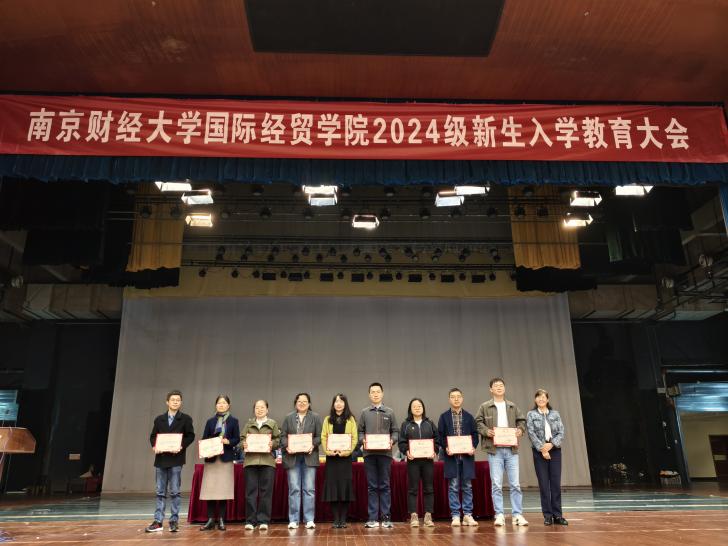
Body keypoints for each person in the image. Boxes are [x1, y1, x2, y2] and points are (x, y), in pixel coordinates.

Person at [475, 377, 528, 527]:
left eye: (501, 385)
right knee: (496, 484)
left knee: (515, 484)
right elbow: (478, 423)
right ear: (490, 389)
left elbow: (522, 421)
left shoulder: (512, 406)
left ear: (504, 388)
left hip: (511, 449)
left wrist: (520, 430)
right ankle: (499, 514)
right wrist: (486, 431)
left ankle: (517, 514)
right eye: (496, 385)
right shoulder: (485, 406)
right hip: (494, 450)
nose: (499, 387)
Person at [145, 390, 195, 533]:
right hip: (161, 459)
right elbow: (153, 436)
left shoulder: (185, 419)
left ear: (181, 403)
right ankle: (158, 521)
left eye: (178, 400)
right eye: (172, 400)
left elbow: (190, 436)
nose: (175, 402)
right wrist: (154, 446)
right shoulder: (159, 419)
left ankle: (174, 521)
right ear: (167, 402)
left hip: (176, 459)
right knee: (160, 492)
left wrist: (180, 446)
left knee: (175, 492)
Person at [358, 382, 398, 528]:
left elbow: (395, 431)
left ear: (382, 394)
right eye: (373, 392)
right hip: (369, 454)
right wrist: (362, 440)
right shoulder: (364, 412)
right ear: (369, 395)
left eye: (378, 391)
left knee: (385, 485)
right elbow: (360, 431)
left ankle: (386, 518)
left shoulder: (390, 412)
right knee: (372, 486)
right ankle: (373, 518)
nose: (375, 394)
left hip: (385, 454)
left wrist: (392, 440)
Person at [437, 387, 479, 527]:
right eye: (453, 397)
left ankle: (467, 514)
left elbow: (475, 435)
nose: (456, 399)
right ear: (449, 399)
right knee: (453, 487)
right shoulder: (444, 417)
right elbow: (440, 436)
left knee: (467, 486)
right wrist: (446, 447)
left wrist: (473, 447)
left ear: (462, 398)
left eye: (458, 396)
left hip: (466, 457)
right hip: (451, 457)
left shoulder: (469, 417)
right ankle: (455, 515)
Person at [280, 393, 322, 530]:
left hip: (309, 457)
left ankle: (309, 519)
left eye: (305, 401)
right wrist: (287, 446)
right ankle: (294, 520)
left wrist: (312, 445)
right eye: (299, 401)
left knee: (309, 489)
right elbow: (282, 436)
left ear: (309, 404)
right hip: (292, 458)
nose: (302, 403)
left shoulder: (315, 417)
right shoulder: (288, 417)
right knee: (294, 489)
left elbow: (320, 436)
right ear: (295, 403)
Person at [527, 389, 568, 526]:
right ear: (535, 400)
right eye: (538, 397)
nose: (541, 399)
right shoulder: (531, 414)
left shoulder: (555, 414)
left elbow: (561, 432)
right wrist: (542, 448)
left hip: (555, 450)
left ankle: (558, 515)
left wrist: (551, 445)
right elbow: (531, 433)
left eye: (543, 397)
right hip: (539, 452)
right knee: (544, 485)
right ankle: (548, 516)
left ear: (547, 399)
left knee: (555, 484)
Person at [199, 395, 240, 532]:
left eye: (224, 403)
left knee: (223, 490)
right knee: (210, 490)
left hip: (225, 459)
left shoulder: (233, 421)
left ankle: (222, 519)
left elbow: (237, 439)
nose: (221, 405)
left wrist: (228, 441)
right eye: (219, 403)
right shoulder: (210, 421)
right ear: (215, 405)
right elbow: (204, 438)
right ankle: (210, 520)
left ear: (228, 405)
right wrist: (207, 449)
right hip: (212, 459)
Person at [240, 399, 281, 531]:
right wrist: (243, 444)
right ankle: (250, 521)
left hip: (267, 462)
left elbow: (278, 440)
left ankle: (263, 520)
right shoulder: (248, 424)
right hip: (250, 462)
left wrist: (273, 444)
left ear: (267, 410)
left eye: (262, 407)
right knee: (250, 492)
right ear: (254, 410)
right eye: (257, 407)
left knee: (266, 492)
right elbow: (241, 440)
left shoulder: (272, 423)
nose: (259, 410)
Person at [398, 398, 439, 527]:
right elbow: (401, 442)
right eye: (414, 406)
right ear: (410, 409)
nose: (417, 408)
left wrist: (435, 451)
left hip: (428, 461)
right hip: (413, 462)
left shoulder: (430, 423)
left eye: (419, 405)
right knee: (413, 489)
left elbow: (437, 439)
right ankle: (414, 516)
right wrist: (406, 451)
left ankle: (428, 516)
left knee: (429, 488)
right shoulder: (406, 424)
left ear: (423, 408)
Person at [321, 393, 358, 528]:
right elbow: (324, 437)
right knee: (333, 489)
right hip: (332, 459)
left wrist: (346, 452)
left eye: (341, 401)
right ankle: (336, 519)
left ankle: (343, 519)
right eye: (336, 401)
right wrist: (328, 451)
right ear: (333, 404)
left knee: (344, 488)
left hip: (345, 459)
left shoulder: (351, 419)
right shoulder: (327, 419)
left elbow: (354, 438)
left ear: (345, 404)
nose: (338, 404)